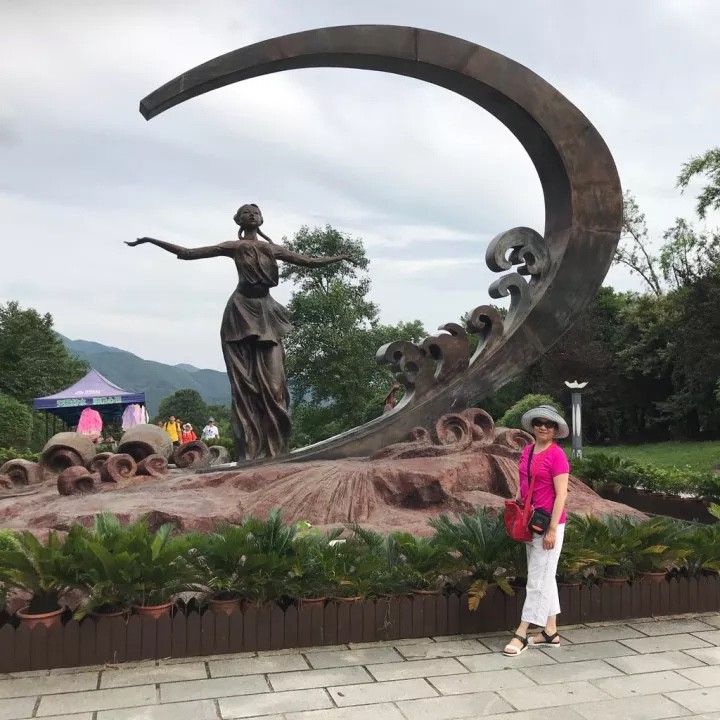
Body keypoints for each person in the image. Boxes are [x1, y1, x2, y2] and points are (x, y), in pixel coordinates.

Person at [127, 204, 352, 461]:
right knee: (246, 385)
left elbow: (308, 261)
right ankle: (252, 452)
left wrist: (339, 257)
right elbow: (188, 253)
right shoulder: (233, 246)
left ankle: (276, 450)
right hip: (240, 313)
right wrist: (150, 240)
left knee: (275, 385)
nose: (252, 214)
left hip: (266, 312)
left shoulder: (271, 249)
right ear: (238, 220)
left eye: (256, 212)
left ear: (261, 219)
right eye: (246, 212)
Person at [503, 404, 570, 657]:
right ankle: (550, 632)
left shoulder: (557, 455)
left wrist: (552, 529)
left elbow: (561, 494)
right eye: (538, 423)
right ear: (532, 426)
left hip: (549, 524)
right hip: (530, 522)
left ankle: (521, 632)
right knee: (544, 576)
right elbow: (523, 481)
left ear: (555, 429)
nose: (543, 427)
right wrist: (518, 503)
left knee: (537, 580)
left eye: (549, 424)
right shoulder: (528, 450)